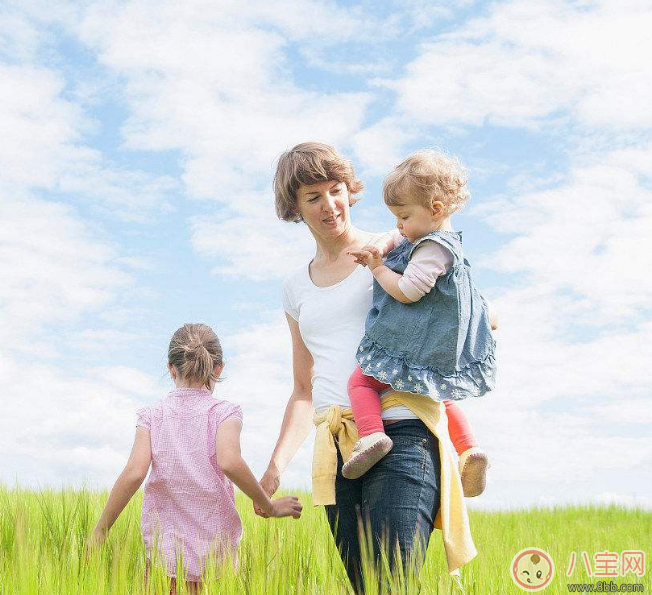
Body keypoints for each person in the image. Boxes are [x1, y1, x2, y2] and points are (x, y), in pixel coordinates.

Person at [259, 142, 476, 594]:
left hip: (402, 431)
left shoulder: (395, 245)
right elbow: (303, 387)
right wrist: (275, 468)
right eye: (312, 196)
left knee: (392, 583)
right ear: (294, 207)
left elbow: (459, 295)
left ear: (349, 191)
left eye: (335, 189)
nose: (329, 205)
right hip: (338, 447)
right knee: (363, 586)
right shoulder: (294, 287)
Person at [89, 323, 302, 594]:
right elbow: (230, 461)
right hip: (216, 557)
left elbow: (134, 473)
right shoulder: (224, 413)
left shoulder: (152, 416)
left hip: (164, 559)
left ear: (171, 368)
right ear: (219, 368)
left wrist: (101, 529)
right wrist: (268, 506)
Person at [342, 150, 496, 499]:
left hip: (412, 342)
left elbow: (408, 291)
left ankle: (372, 435)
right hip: (437, 350)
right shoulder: (437, 241)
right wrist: (381, 245)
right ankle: (470, 449)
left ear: (436, 209)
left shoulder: (430, 250)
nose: (399, 225)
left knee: (361, 381)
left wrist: (378, 269)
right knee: (440, 394)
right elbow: (393, 239)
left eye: (404, 216)